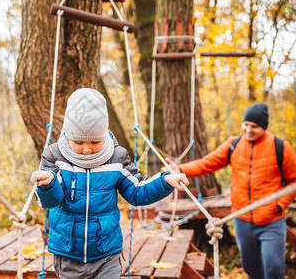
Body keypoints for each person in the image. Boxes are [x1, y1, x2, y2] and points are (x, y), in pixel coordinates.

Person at [30, 88, 189, 278]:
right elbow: (50, 202)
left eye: (95, 142)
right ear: (67, 134)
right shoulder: (54, 156)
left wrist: (165, 182)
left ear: (104, 134)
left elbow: (137, 192)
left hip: (107, 253)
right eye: (78, 142)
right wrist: (48, 185)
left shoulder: (116, 157)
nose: (87, 150)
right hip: (68, 253)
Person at [165, 103, 296, 279]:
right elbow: (206, 163)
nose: (248, 130)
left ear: (263, 127)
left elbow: (294, 181)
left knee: (273, 269)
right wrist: (180, 169)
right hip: (241, 219)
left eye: (254, 126)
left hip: (271, 221)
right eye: (246, 124)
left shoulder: (280, 147)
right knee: (251, 268)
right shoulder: (234, 145)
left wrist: (278, 205)